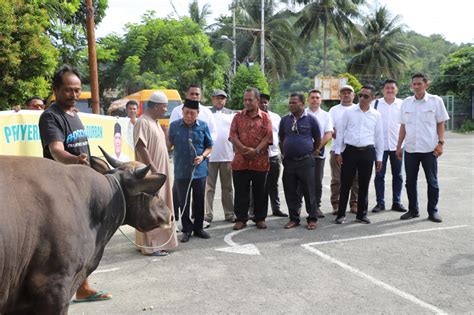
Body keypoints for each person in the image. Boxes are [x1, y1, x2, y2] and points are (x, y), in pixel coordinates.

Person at [38, 65, 111, 302]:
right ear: (55, 89)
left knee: (83, 237)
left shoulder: (74, 115)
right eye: (68, 90)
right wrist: (75, 160)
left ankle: (82, 286)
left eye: (78, 90)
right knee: (67, 241)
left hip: (81, 184)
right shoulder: (51, 116)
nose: (74, 95)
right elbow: (56, 151)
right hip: (61, 187)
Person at [396, 73, 449, 223]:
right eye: (414, 84)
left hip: (429, 150)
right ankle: (413, 210)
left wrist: (441, 143)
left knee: (432, 182)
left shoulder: (435, 101)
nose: (416, 86)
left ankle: (433, 211)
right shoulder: (406, 103)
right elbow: (403, 126)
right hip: (411, 149)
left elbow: (440, 123)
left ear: (426, 84)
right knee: (410, 182)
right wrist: (398, 146)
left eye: (419, 83)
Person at [134, 91, 178, 256]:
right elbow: (140, 146)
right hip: (152, 174)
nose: (166, 109)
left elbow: (163, 148)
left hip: (161, 172)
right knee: (152, 207)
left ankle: (161, 242)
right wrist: (152, 168)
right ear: (156, 105)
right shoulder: (143, 122)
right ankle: (151, 245)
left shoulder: (156, 123)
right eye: (164, 106)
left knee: (161, 205)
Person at [334, 85, 383, 224]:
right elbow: (341, 133)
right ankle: (341, 214)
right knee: (345, 183)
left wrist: (379, 157)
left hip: (367, 152)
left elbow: (379, 137)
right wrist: (338, 152)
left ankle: (361, 214)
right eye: (360, 95)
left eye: (365, 96)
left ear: (373, 98)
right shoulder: (349, 112)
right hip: (350, 151)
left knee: (364, 184)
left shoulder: (376, 115)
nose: (361, 98)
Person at [169, 84, 217, 224]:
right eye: (186, 113)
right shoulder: (175, 125)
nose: (189, 116)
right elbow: (168, 143)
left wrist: (202, 156)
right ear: (182, 111)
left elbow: (210, 146)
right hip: (181, 169)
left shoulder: (203, 125)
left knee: (199, 199)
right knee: (183, 201)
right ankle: (186, 228)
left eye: (192, 113)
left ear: (197, 113)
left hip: (199, 170)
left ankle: (198, 227)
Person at [229, 88, 272, 230]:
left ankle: (260, 218)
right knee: (241, 191)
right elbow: (233, 135)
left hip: (260, 161)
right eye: (245, 99)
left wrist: (256, 150)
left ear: (257, 101)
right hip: (241, 162)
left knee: (260, 191)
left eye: (250, 100)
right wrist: (242, 149)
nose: (247, 102)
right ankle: (241, 218)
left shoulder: (265, 117)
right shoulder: (237, 117)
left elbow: (268, 137)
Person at [279, 92, 321, 230]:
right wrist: (284, 153)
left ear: (302, 104)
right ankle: (294, 219)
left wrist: (310, 152)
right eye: (290, 102)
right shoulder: (285, 120)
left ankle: (312, 219)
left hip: (305, 161)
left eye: (294, 102)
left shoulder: (311, 120)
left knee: (309, 191)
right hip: (289, 162)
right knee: (290, 191)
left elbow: (318, 139)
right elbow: (282, 138)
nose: (291, 105)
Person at [371, 79, 407, 213]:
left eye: (392, 88)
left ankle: (396, 202)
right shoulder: (375, 104)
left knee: (398, 175)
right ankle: (380, 203)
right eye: (387, 88)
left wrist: (402, 144)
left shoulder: (402, 104)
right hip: (379, 147)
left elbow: (405, 124)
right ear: (383, 90)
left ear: (396, 90)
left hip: (398, 145)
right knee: (379, 175)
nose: (390, 90)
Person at [204, 89, 235, 225]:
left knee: (227, 188)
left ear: (225, 100)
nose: (220, 100)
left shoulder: (231, 114)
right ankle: (207, 215)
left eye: (222, 98)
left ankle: (229, 213)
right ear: (212, 99)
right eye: (217, 98)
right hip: (210, 156)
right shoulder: (206, 113)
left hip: (227, 156)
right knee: (208, 188)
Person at [329, 85, 359, 215]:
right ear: (339, 95)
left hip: (354, 150)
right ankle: (336, 204)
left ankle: (355, 203)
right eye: (343, 93)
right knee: (337, 179)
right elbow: (331, 129)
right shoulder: (334, 110)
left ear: (353, 95)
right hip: (336, 148)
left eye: (349, 92)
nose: (346, 95)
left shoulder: (358, 109)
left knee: (356, 178)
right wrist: (341, 138)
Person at [258, 93, 287, 217]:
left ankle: (276, 209)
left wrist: (283, 152)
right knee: (258, 185)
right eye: (261, 102)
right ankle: (254, 211)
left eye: (266, 102)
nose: (264, 104)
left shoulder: (276, 117)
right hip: (259, 156)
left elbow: (281, 137)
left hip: (274, 155)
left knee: (273, 184)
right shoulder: (253, 117)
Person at [306, 89, 333, 217]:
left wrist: (317, 147)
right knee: (302, 182)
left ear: (320, 100)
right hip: (303, 154)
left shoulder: (326, 115)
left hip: (318, 153)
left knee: (317, 182)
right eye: (312, 97)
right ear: (308, 99)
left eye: (317, 97)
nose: (315, 100)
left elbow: (328, 133)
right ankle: (299, 207)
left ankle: (316, 207)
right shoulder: (302, 114)